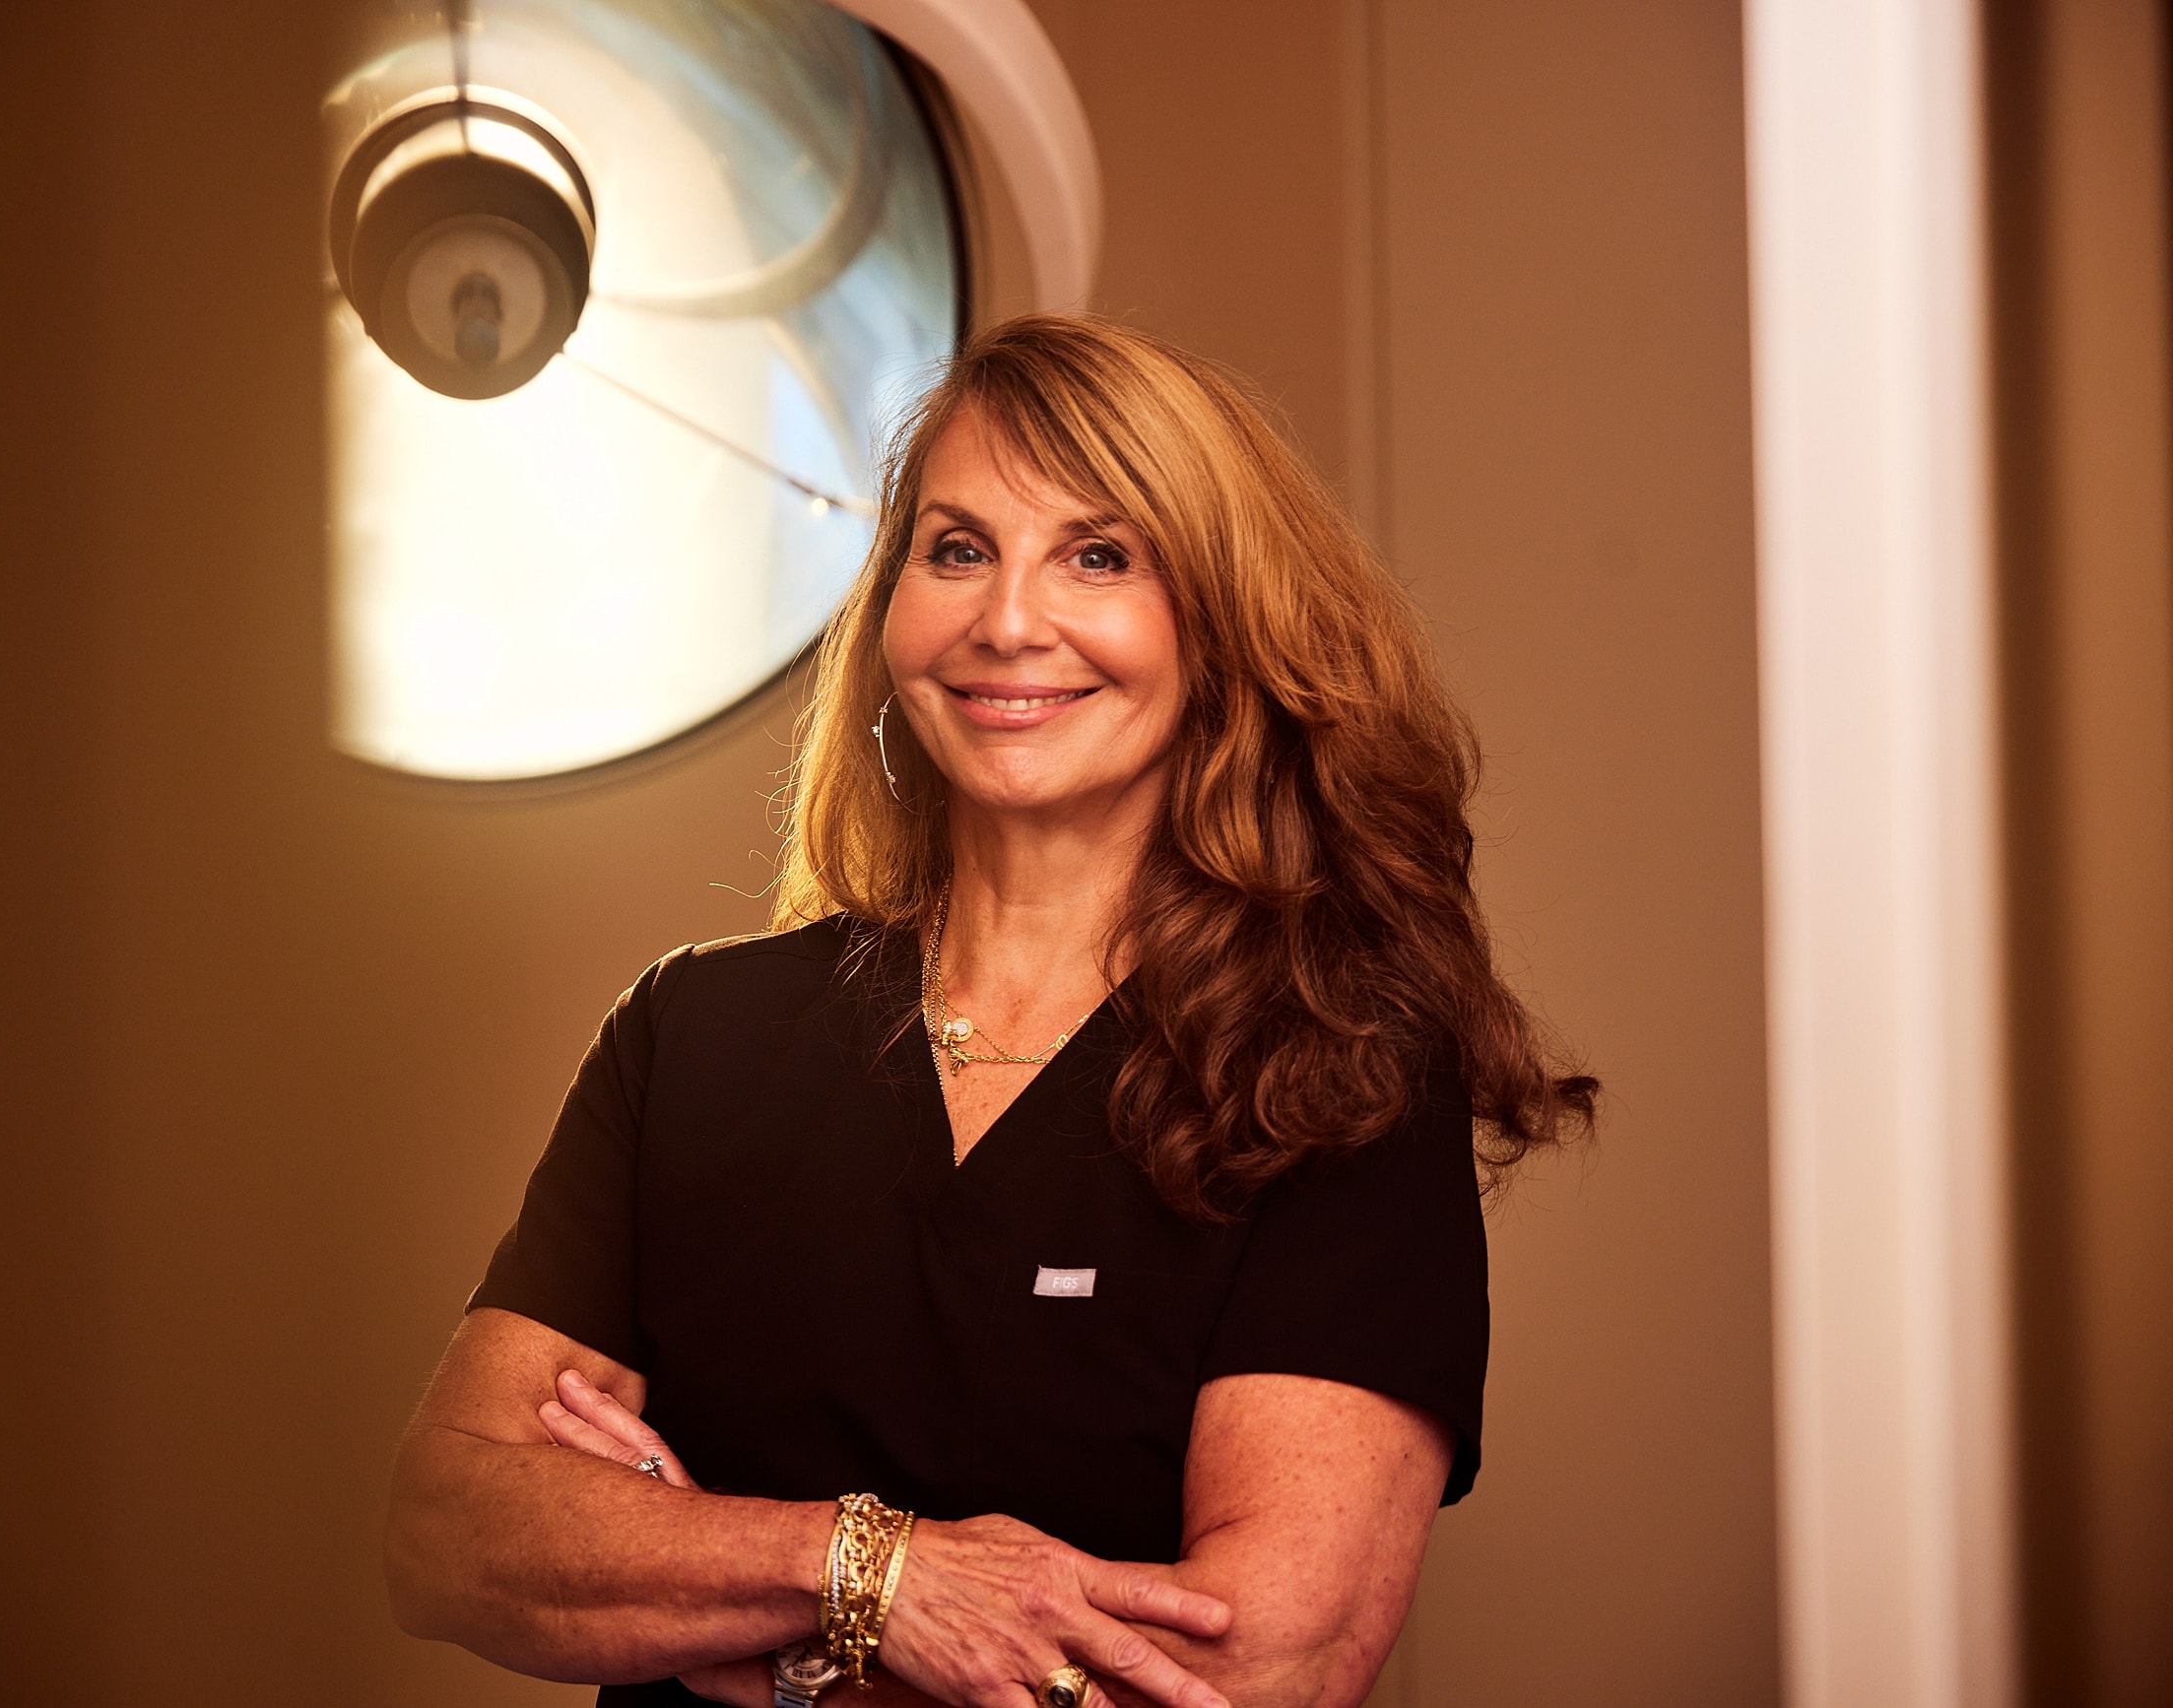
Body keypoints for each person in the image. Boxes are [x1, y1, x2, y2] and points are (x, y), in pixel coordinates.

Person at [384, 314, 1594, 1708]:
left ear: (1219, 619)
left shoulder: (1337, 1075)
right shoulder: (691, 1036)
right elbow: (444, 1531)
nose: (1008, 619)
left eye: (1098, 554)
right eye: (957, 548)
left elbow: (1252, 1663)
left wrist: (712, 1597)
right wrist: (867, 1570)